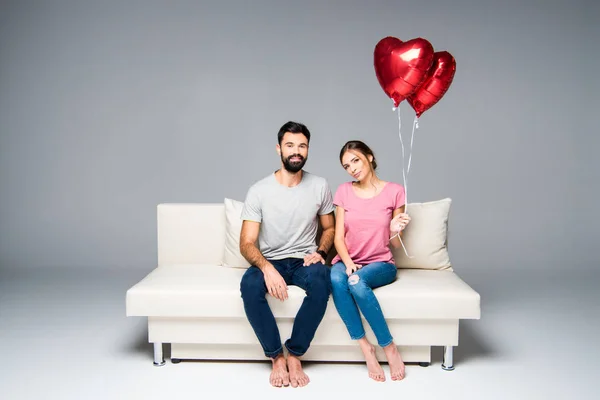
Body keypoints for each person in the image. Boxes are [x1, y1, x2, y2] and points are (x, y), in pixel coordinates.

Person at [239, 121, 335, 388]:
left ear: (308, 149)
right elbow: (246, 243)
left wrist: (321, 251)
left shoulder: (319, 185)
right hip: (271, 260)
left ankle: (294, 352)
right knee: (249, 285)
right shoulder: (259, 190)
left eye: (302, 146)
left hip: (305, 259)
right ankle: (275, 357)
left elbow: (329, 227)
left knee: (321, 281)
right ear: (279, 149)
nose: (296, 151)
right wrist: (267, 268)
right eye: (290, 145)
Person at [330, 140, 411, 382]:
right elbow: (338, 237)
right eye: (346, 166)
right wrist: (348, 261)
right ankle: (366, 348)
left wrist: (395, 229)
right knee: (336, 278)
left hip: (381, 264)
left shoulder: (395, 191)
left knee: (355, 282)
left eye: (356, 160)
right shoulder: (344, 191)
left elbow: (396, 245)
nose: (352, 168)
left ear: (370, 157)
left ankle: (389, 347)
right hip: (348, 260)